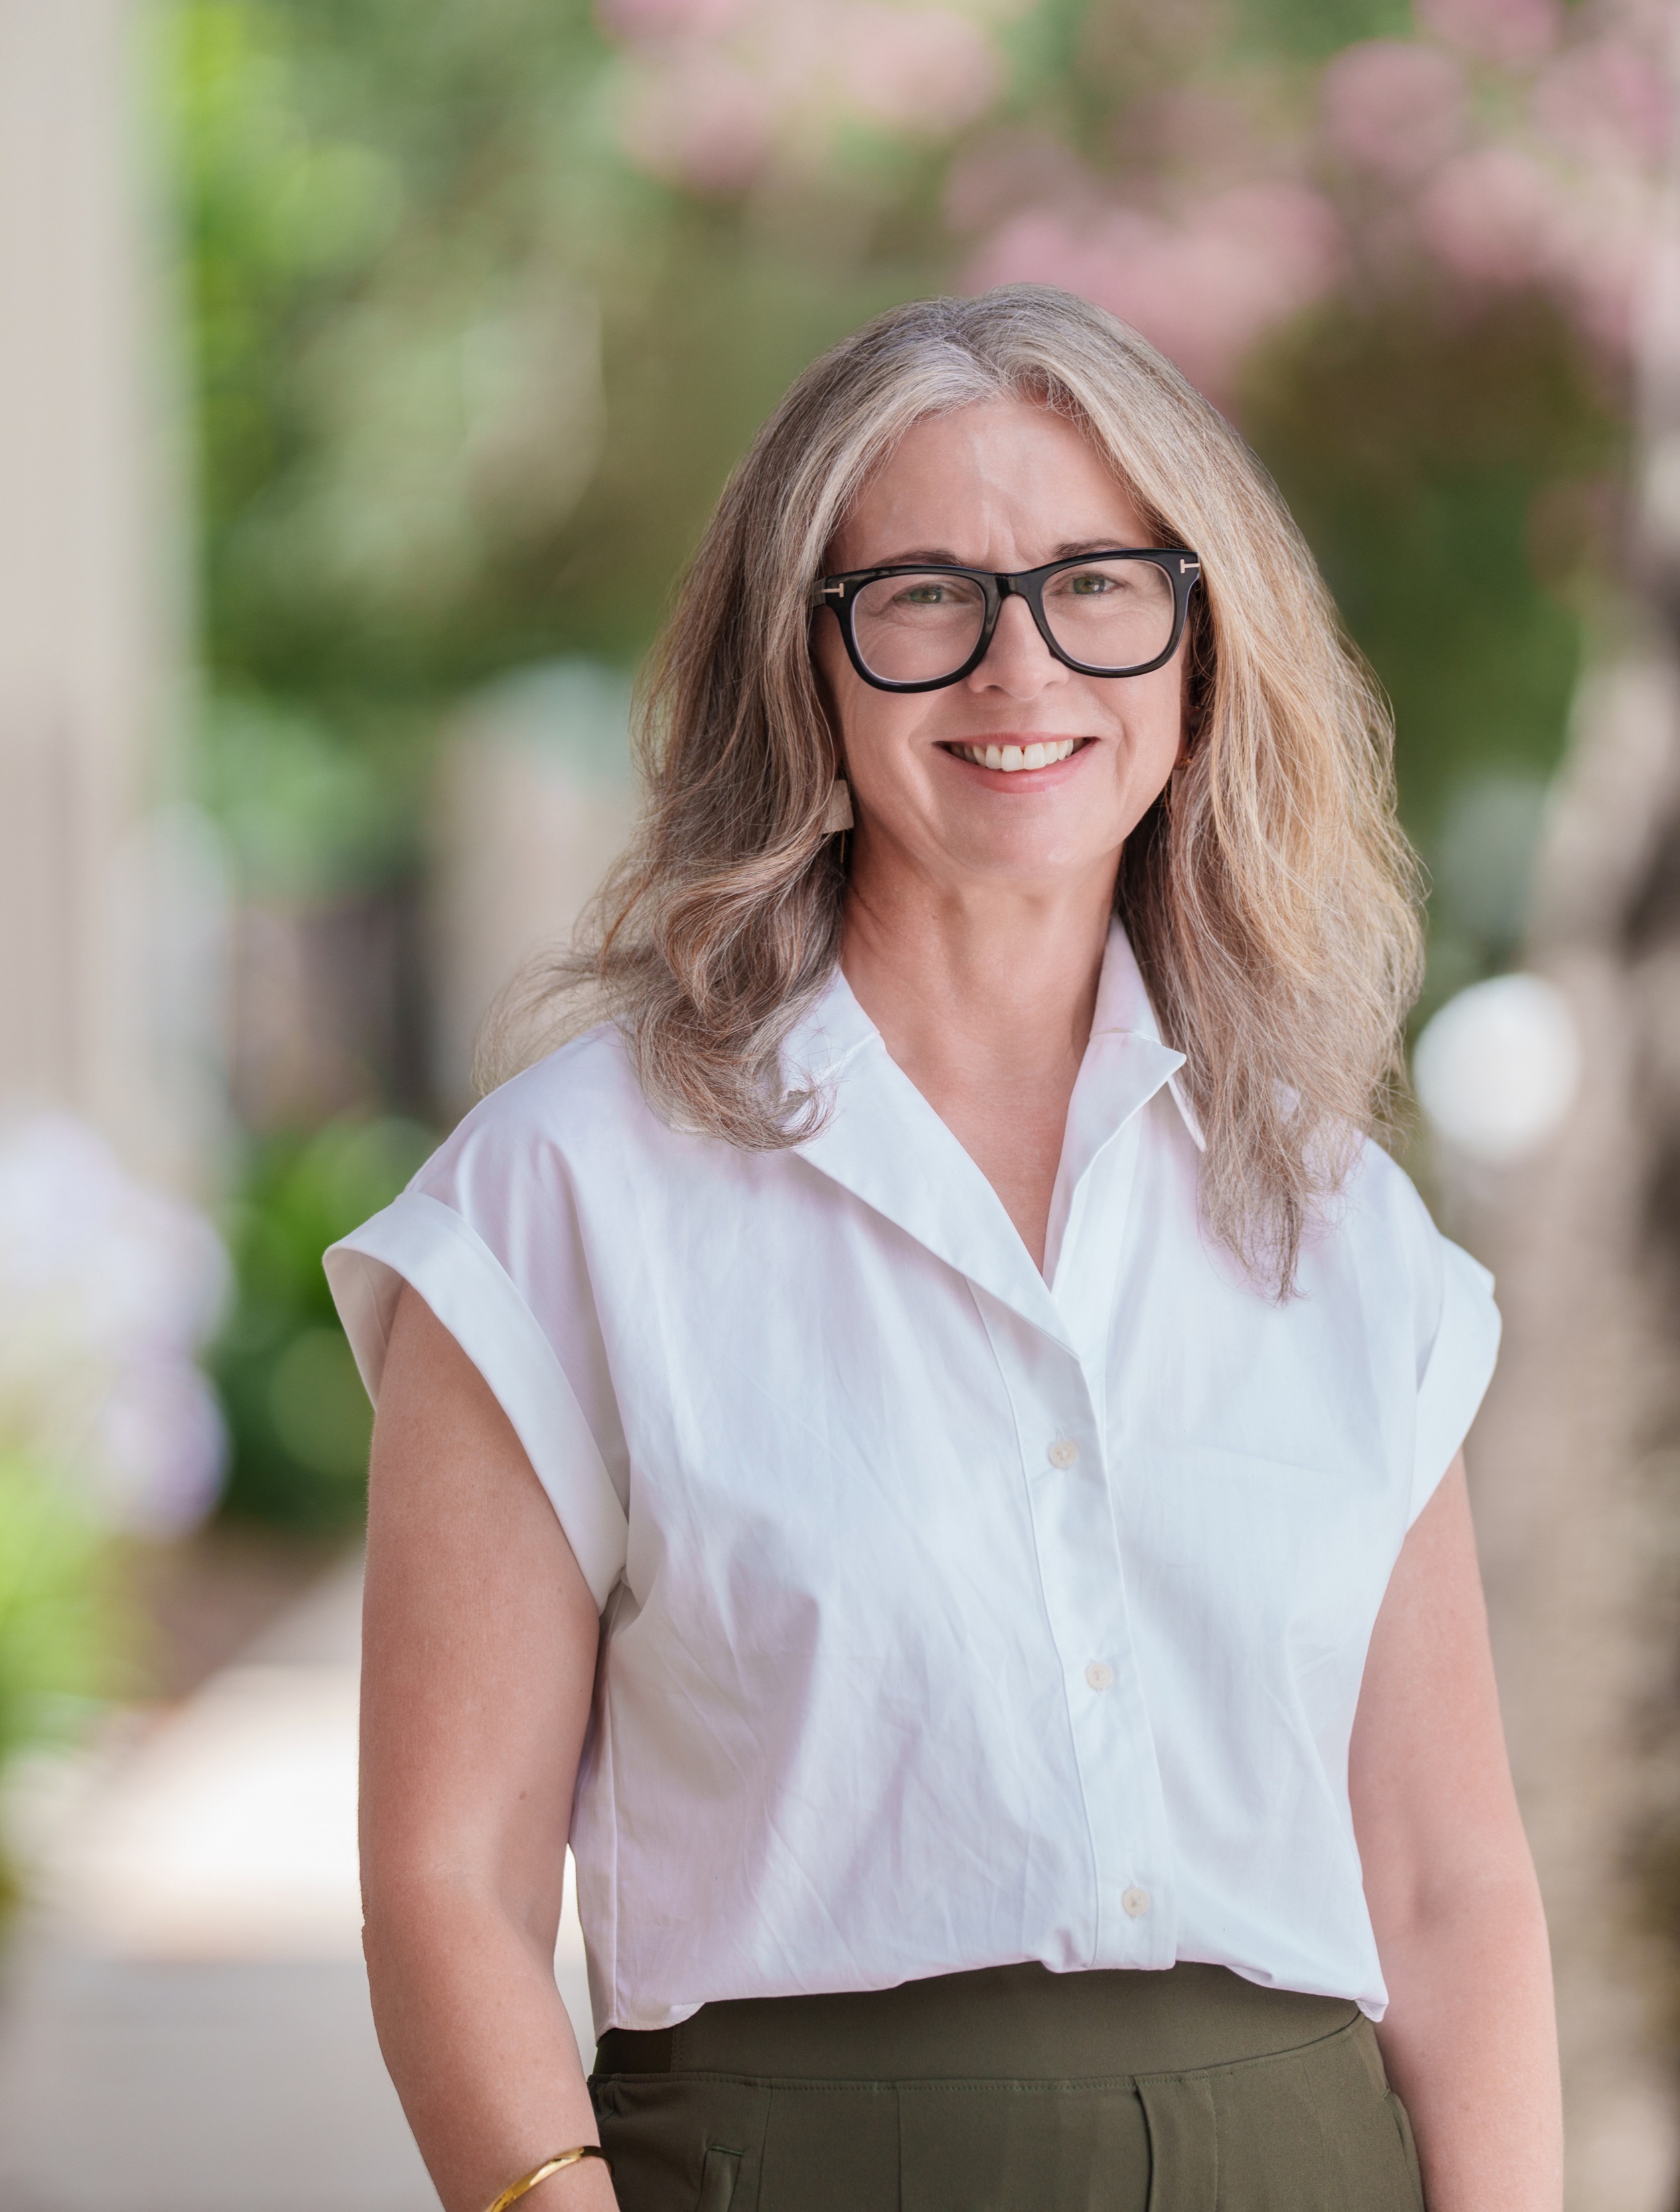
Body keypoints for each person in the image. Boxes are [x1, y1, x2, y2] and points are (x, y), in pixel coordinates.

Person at [329, 285, 1561, 2212]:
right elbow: (444, 1880)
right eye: (922, 597)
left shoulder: (1340, 1223)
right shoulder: (564, 1198)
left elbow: (1447, 1880)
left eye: (1097, 584)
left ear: (1200, 642)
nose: (1021, 670)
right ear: (800, 659)